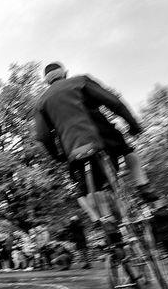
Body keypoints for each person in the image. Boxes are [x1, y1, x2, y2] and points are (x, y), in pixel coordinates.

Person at [34, 62, 158, 236]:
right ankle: (143, 186)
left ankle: (106, 222)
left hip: (74, 150)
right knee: (127, 150)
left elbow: (43, 136)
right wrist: (133, 124)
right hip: (103, 137)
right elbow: (113, 102)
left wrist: (57, 156)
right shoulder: (80, 81)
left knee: (91, 188)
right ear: (65, 73)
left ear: (46, 82)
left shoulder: (41, 102)